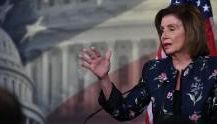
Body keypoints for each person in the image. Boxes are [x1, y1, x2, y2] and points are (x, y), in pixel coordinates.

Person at [79, 4, 217, 124]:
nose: (164, 35)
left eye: (171, 29)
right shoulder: (154, 70)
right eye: (162, 30)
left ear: (190, 31)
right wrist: (104, 78)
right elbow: (125, 111)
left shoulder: (213, 68)